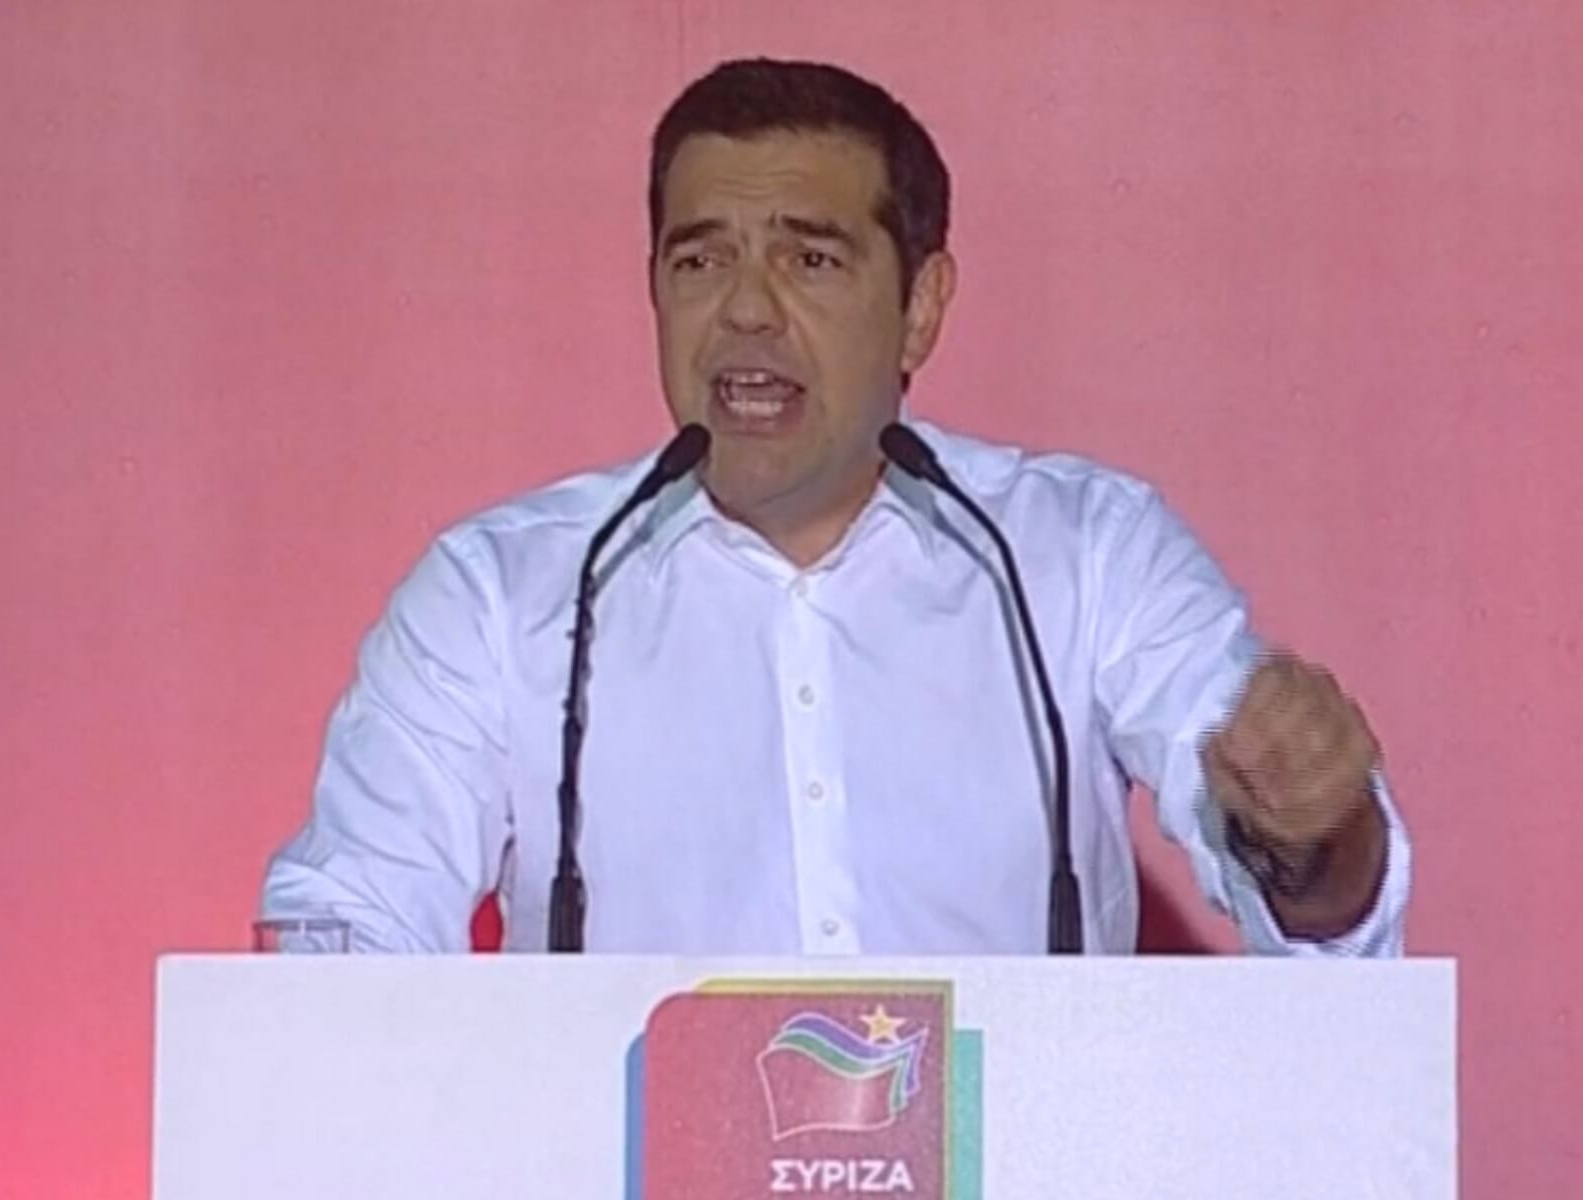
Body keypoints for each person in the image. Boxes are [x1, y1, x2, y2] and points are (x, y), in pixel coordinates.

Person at [261, 58, 1409, 955]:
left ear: (920, 306)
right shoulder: (497, 595)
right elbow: (350, 930)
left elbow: (1322, 907)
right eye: (699, 262)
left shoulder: (1081, 555)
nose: (744, 312)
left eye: (809, 262)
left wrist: (1314, 828)